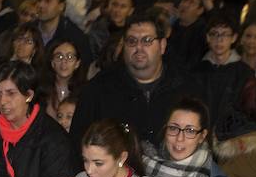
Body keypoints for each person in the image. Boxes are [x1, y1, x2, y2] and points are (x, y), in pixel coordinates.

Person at [69, 9, 190, 146]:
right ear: (123, 46)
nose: (139, 47)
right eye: (132, 41)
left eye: (147, 40)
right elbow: (79, 142)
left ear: (162, 45)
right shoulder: (98, 89)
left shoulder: (185, 87)